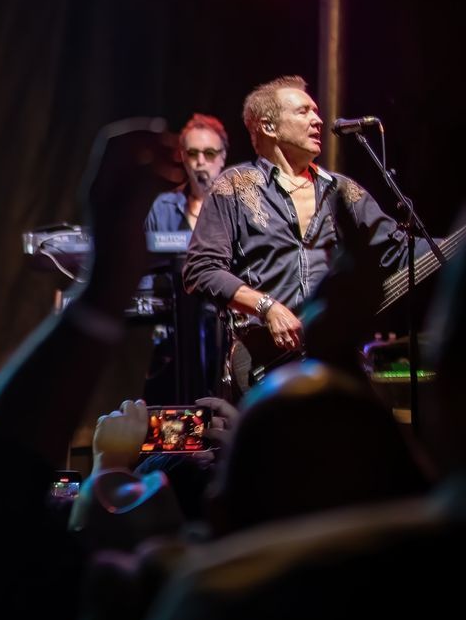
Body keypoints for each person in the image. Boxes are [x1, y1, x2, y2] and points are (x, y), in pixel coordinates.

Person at [183, 77, 403, 393]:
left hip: (335, 365)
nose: (318, 120)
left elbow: (399, 251)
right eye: (303, 112)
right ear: (269, 127)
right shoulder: (233, 186)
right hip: (265, 363)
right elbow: (200, 268)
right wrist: (267, 307)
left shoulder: (342, 190)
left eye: (316, 111)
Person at [142, 113, 232, 400]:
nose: (200, 162)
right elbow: (148, 269)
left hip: (226, 333)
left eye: (209, 153)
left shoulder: (237, 209)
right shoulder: (164, 206)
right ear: (182, 157)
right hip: (174, 335)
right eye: (192, 153)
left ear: (222, 157)